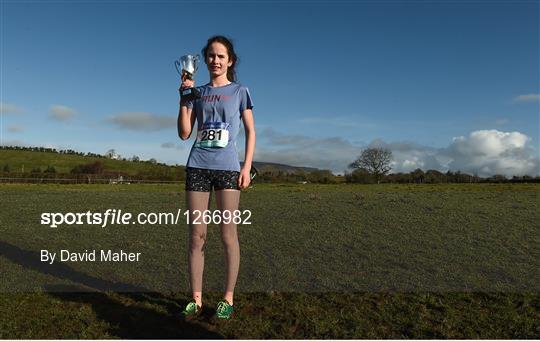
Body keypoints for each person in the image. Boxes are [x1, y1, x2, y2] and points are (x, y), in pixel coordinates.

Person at [177, 35, 255, 320]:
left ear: (230, 61)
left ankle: (227, 298)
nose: (215, 60)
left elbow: (251, 131)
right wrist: (183, 99)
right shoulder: (196, 92)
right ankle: (196, 299)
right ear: (205, 59)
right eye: (211, 55)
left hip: (227, 169)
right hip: (197, 165)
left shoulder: (240, 91)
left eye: (221, 56)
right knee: (197, 236)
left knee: (227, 235)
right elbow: (185, 133)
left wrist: (246, 167)